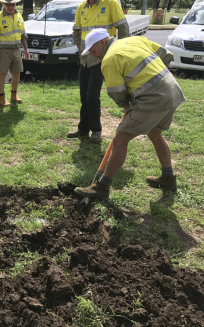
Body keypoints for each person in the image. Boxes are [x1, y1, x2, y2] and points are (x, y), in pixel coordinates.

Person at [74, 29, 185, 201]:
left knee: (120, 139)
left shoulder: (110, 59)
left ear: (102, 42)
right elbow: (166, 55)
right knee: (155, 134)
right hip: (171, 89)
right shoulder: (134, 41)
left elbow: (117, 93)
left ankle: (101, 187)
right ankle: (168, 179)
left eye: (93, 51)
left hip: (154, 98)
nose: (94, 56)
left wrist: (126, 105)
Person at [68, 0, 129, 143]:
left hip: (103, 58)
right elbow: (76, 31)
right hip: (85, 58)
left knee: (92, 95)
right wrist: (82, 50)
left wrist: (118, 52)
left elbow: (123, 28)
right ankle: (83, 129)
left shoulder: (110, 3)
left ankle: (96, 130)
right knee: (83, 96)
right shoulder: (81, 7)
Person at [0, 0, 29, 107]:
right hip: (3, 50)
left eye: (12, 4)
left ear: (15, 4)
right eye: (8, 5)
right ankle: (1, 98)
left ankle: (14, 95)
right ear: (4, 5)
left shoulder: (19, 16)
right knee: (2, 74)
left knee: (16, 74)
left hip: (17, 49)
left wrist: (26, 49)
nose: (10, 7)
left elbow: (23, 35)